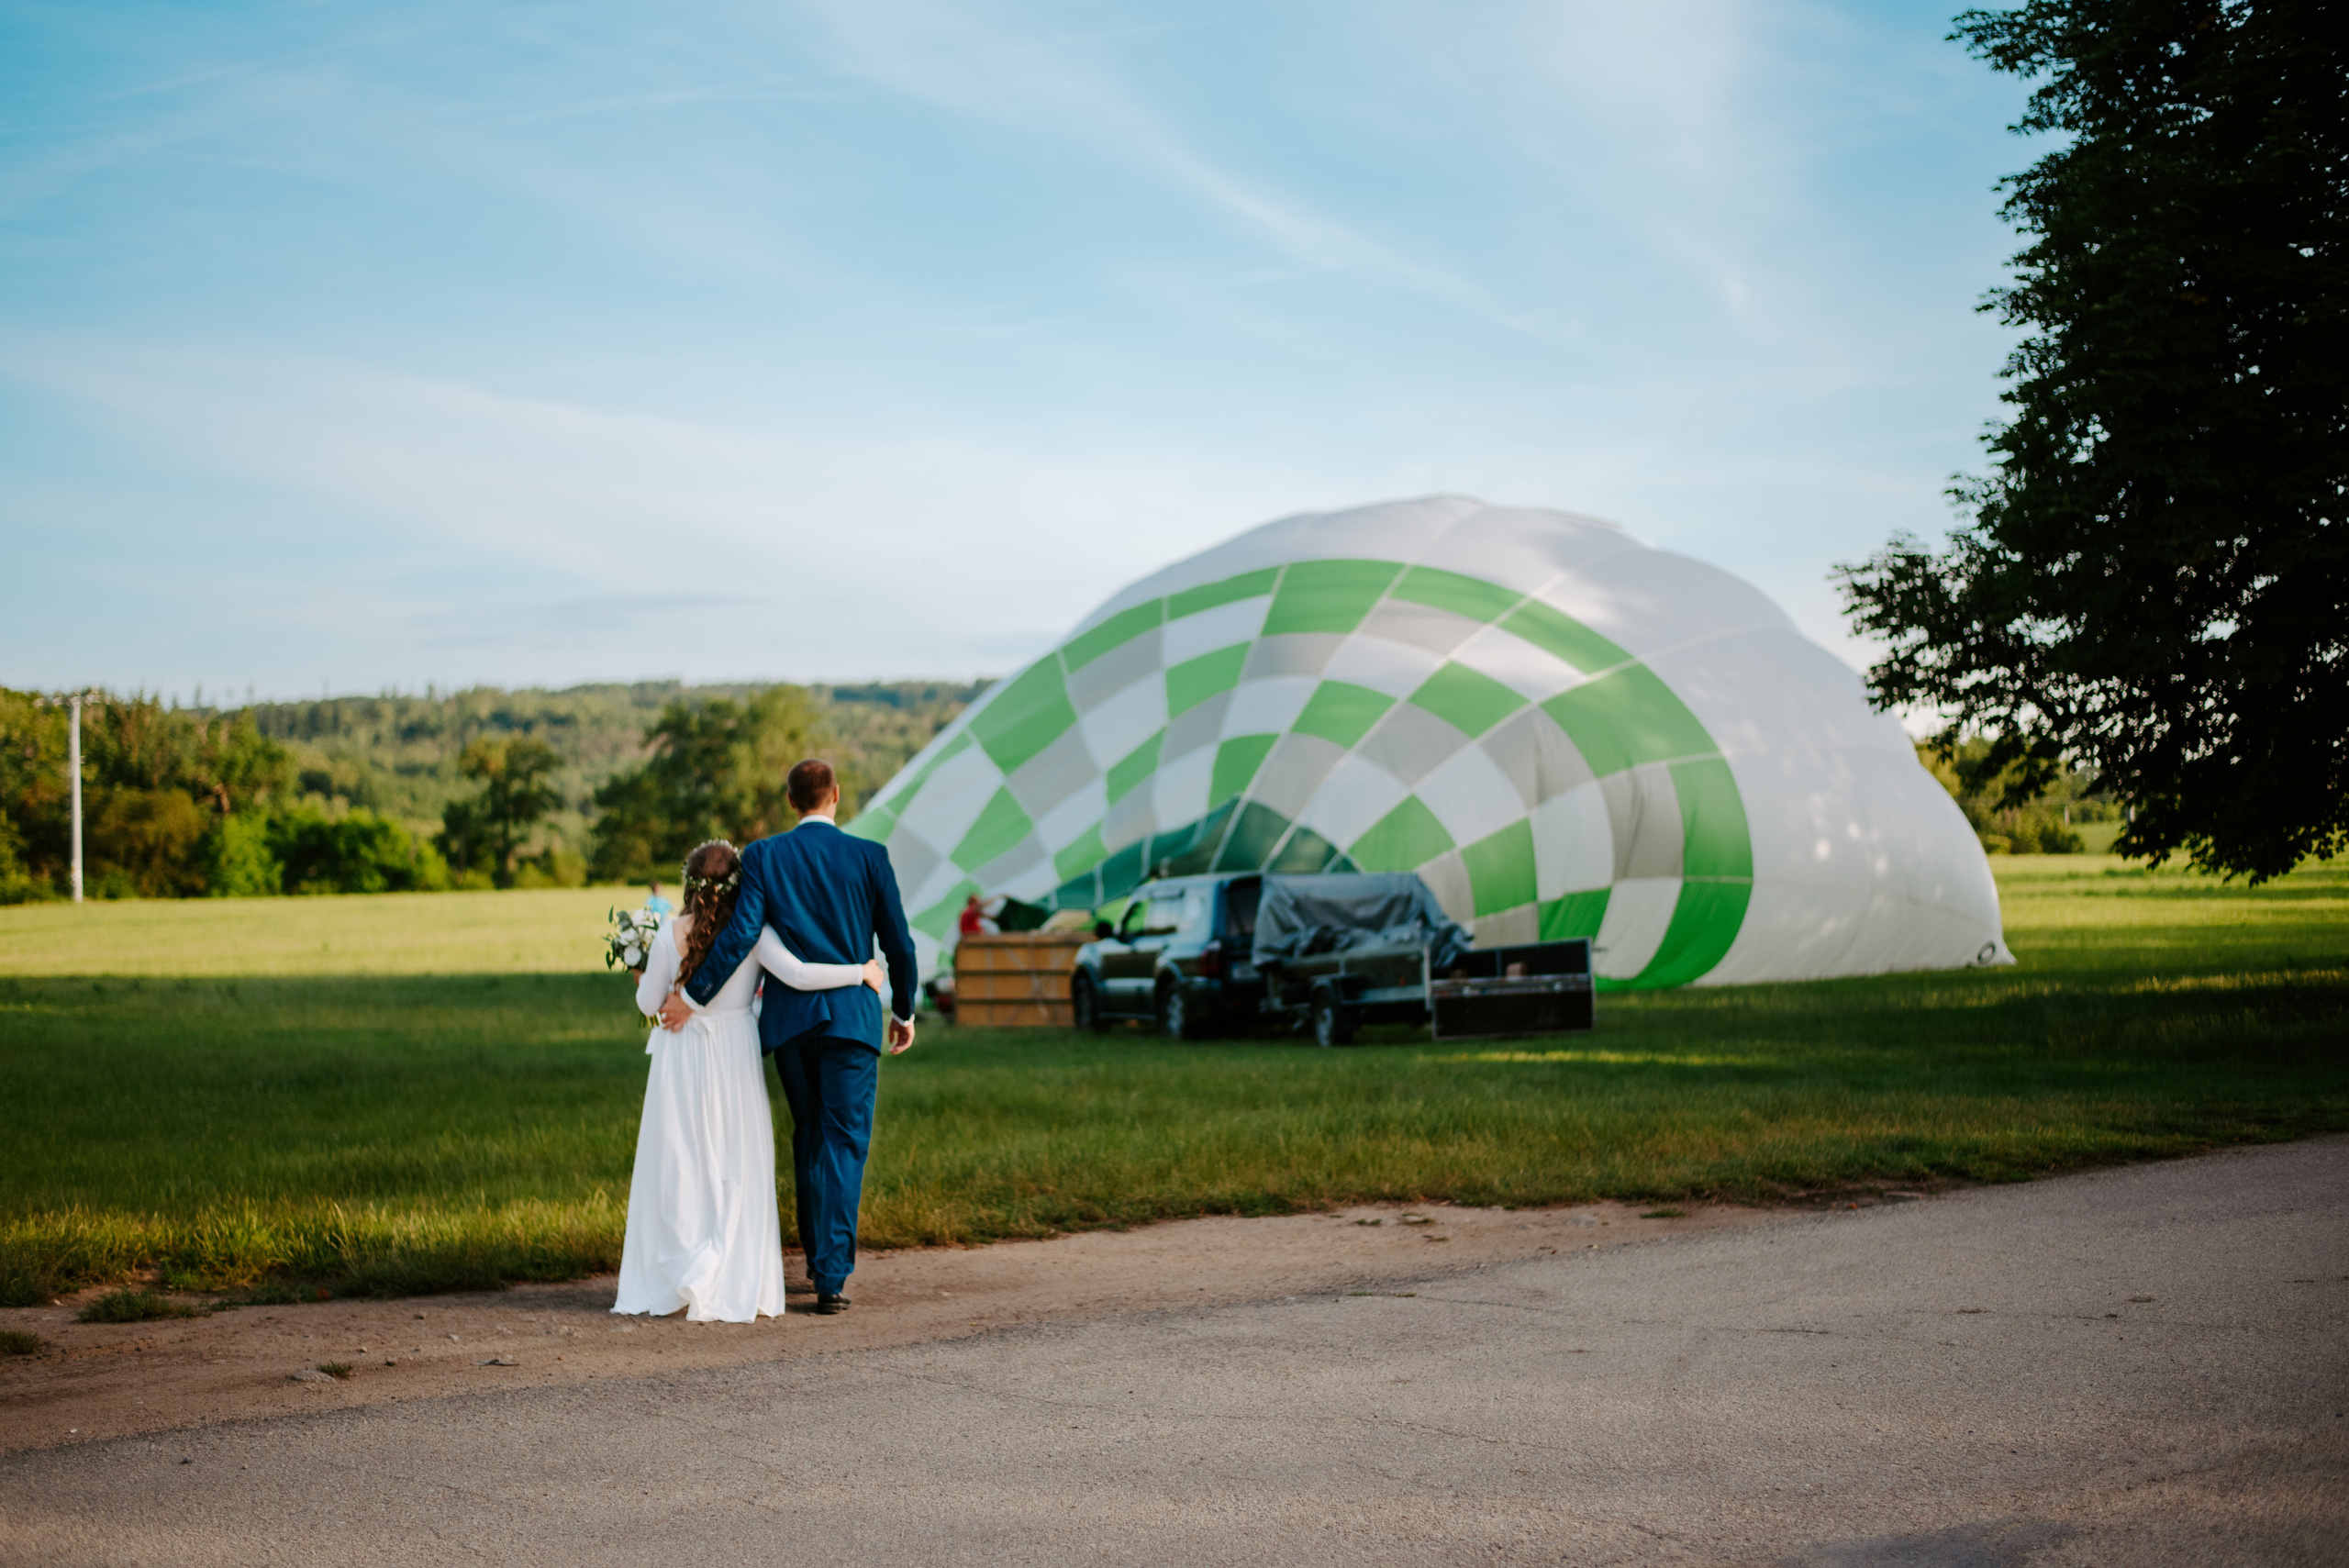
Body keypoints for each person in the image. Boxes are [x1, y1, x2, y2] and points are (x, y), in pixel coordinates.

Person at [667, 759, 917, 1316]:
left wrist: (690, 995)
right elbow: (899, 945)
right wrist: (904, 1009)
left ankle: (815, 1260)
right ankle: (830, 1274)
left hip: (792, 1023)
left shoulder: (764, 855)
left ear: (790, 800)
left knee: (810, 1135)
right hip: (851, 1020)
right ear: (836, 797)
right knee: (843, 1141)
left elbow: (741, 934)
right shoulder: (870, 857)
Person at [615, 839, 885, 1323]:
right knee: (734, 1160)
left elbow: (648, 1006)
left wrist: (640, 975)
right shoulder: (753, 933)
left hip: (681, 1058)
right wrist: (858, 971)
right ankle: (732, 1270)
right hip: (734, 1055)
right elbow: (800, 975)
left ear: (688, 883)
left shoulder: (666, 935)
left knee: (681, 1160)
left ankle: (678, 1268)